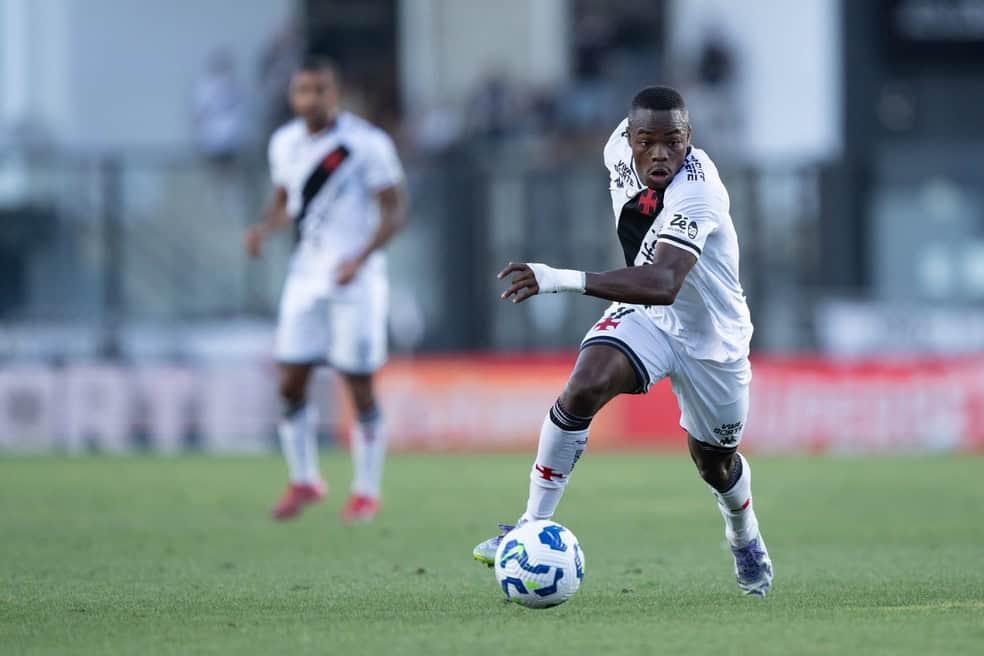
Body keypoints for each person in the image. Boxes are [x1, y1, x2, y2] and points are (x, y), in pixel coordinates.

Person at [472, 86, 773, 596]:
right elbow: (652, 297)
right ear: (627, 138)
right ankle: (526, 527)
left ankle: (744, 536)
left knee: (714, 464)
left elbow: (663, 283)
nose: (660, 154)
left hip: (711, 340)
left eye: (673, 142)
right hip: (648, 318)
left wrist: (559, 278)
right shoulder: (614, 149)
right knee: (583, 387)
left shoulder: (700, 190)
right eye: (647, 141)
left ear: (689, 139)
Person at [245, 57, 407, 523]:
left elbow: (395, 211)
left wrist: (358, 258)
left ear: (335, 94)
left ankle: (366, 491)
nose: (310, 99)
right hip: (306, 275)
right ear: (293, 96)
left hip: (356, 280)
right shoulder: (285, 143)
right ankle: (305, 480)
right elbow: (284, 202)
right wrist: (262, 229)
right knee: (290, 381)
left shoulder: (366, 144)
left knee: (358, 384)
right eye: (302, 91)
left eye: (319, 90)